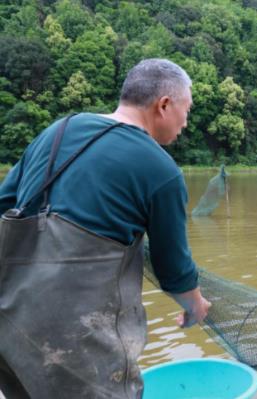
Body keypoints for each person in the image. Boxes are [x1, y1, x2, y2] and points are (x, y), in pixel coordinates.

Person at [0, 59, 211, 398]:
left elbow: (4, 206)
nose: (186, 122)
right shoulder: (160, 169)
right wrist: (195, 305)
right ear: (164, 105)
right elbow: (173, 269)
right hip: (76, 342)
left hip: (7, 326)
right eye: (186, 110)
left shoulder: (58, 131)